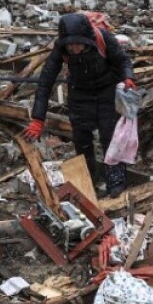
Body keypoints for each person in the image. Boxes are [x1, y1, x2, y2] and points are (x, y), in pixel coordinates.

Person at [23, 13, 135, 196]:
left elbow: (123, 61)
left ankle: (116, 181)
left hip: (107, 90)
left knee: (110, 135)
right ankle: (88, 178)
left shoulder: (103, 38)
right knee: (81, 139)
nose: (74, 48)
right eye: (70, 45)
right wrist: (38, 118)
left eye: (78, 44)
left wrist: (128, 78)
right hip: (80, 93)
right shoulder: (61, 49)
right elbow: (45, 81)